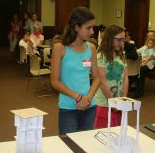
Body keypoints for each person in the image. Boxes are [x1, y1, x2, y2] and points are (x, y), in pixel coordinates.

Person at [50, 7, 100, 135]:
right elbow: (55, 82)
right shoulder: (59, 48)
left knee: (86, 145)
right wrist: (78, 98)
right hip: (68, 107)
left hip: (89, 105)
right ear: (76, 27)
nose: (92, 31)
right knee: (68, 148)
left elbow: (97, 78)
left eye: (93, 27)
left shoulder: (92, 48)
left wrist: (87, 98)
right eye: (88, 28)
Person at [94, 25, 128, 128]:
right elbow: (102, 83)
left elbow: (125, 78)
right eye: (119, 40)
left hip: (118, 103)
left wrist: (123, 100)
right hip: (104, 103)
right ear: (109, 39)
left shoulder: (121, 55)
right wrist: (114, 103)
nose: (122, 43)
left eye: (123, 40)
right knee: (105, 135)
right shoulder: (100, 56)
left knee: (118, 132)